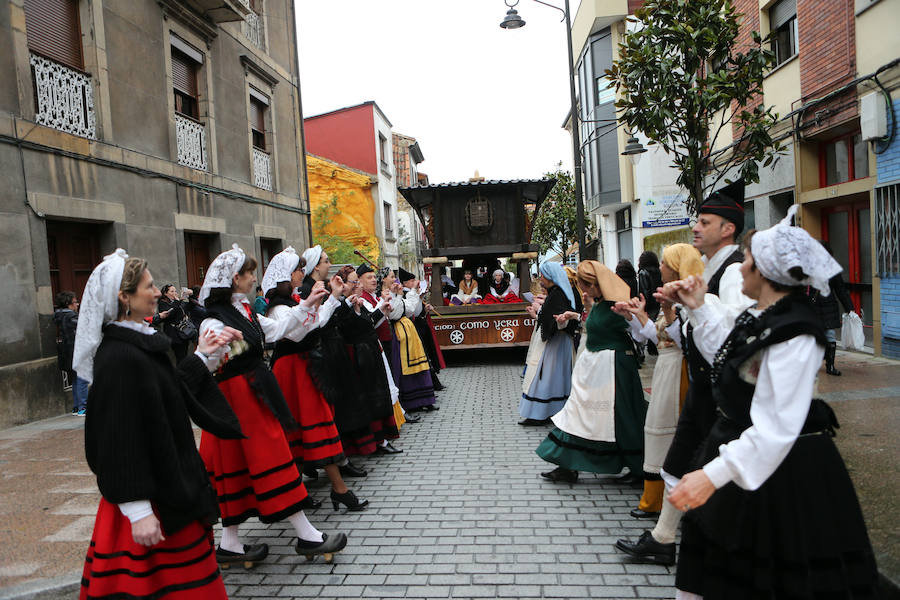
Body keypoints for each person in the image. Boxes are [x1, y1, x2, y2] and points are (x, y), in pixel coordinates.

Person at [663, 209, 878, 598]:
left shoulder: (796, 332)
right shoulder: (762, 316)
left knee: (764, 575)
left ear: (763, 272)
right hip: (743, 454)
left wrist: (713, 474)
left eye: (747, 261)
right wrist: (698, 306)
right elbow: (726, 361)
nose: (741, 268)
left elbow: (777, 425)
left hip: (780, 473)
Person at [74, 249, 245, 599]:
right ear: (125, 298)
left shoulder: (139, 342)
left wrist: (200, 355)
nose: (157, 293)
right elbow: (115, 438)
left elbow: (164, 391)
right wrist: (137, 511)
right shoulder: (119, 356)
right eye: (149, 287)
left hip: (168, 486)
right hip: (148, 498)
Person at [617, 180, 754, 566]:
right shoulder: (711, 270)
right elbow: (688, 336)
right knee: (679, 461)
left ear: (727, 228)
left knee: (708, 464)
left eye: (705, 222)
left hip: (718, 389)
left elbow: (733, 340)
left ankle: (715, 543)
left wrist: (688, 311)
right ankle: (665, 537)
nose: (696, 227)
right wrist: (672, 312)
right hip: (703, 385)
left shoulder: (732, 274)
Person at [198, 244, 348, 566]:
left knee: (244, 467)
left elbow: (276, 330)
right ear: (235, 278)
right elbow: (208, 360)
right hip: (238, 402)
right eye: (250, 273)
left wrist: (306, 305)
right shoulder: (212, 320)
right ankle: (307, 535)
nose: (255, 278)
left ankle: (230, 542)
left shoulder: (245, 311)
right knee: (271, 458)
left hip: (252, 397)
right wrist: (213, 348)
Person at [261, 248, 368, 511]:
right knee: (310, 426)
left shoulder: (293, 301)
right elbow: (298, 333)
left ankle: (324, 490)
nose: (301, 273)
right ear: (286, 276)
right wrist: (316, 302)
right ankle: (335, 490)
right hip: (292, 370)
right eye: (297, 269)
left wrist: (329, 297)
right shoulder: (278, 308)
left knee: (313, 425)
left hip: (304, 367)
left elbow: (315, 323)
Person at [535, 261, 646, 484]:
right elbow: (597, 324)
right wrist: (585, 310)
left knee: (621, 417)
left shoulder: (619, 306)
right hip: (595, 370)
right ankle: (567, 465)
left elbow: (641, 335)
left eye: (585, 286)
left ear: (597, 285)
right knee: (579, 414)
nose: (582, 290)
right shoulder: (601, 304)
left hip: (615, 369)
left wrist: (632, 316)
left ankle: (639, 468)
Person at [617, 244, 704, 526]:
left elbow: (689, 343)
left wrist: (667, 311)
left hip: (680, 373)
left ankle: (671, 503)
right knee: (657, 432)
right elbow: (655, 337)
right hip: (666, 370)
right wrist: (636, 315)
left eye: (666, 263)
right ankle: (654, 500)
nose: (661, 268)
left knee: (670, 433)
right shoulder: (670, 298)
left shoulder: (690, 301)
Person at [297, 246, 370, 477]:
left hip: (332, 348)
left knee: (338, 407)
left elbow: (332, 318)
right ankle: (333, 461)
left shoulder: (321, 288)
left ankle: (338, 458)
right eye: (326, 261)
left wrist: (342, 301)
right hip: (323, 351)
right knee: (330, 409)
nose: (330, 264)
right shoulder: (308, 290)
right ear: (316, 266)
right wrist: (338, 299)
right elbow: (317, 323)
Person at [518, 262, 579, 426]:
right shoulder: (556, 293)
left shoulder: (560, 294)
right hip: (552, 343)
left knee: (547, 378)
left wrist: (559, 321)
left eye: (543, 276)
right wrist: (538, 313)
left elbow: (565, 318)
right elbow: (550, 316)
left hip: (556, 344)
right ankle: (544, 412)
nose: (541, 279)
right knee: (548, 378)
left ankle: (544, 413)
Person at [358, 263, 414, 427]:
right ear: (360, 281)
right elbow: (372, 321)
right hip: (378, 342)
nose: (373, 280)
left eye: (374, 277)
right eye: (369, 277)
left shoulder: (373, 297)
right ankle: (396, 414)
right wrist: (384, 303)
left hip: (386, 340)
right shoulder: (364, 299)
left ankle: (399, 412)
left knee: (392, 378)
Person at [383, 267, 438, 412]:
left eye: (395, 277)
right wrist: (398, 295)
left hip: (408, 330)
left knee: (419, 363)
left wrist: (407, 294)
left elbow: (410, 309)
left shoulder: (396, 294)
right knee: (405, 366)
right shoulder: (386, 295)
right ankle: (411, 401)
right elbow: (394, 314)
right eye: (391, 277)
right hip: (399, 332)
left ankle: (424, 398)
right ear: (384, 280)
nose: (394, 280)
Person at [808, 241, 857, 376]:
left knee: (829, 335)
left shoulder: (832, 269)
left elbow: (840, 289)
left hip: (828, 306)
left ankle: (830, 366)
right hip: (813, 306)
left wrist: (850, 308)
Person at [397, 268, 447, 391]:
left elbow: (418, 311)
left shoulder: (414, 293)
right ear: (405, 283)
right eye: (412, 280)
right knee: (422, 354)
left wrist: (425, 308)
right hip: (413, 327)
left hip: (421, 324)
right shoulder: (404, 294)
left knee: (428, 351)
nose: (415, 282)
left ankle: (433, 382)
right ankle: (431, 384)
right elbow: (411, 311)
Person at [54, 291, 89, 416]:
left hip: (67, 351)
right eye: (75, 302)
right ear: (68, 304)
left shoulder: (58, 316)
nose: (77, 305)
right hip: (76, 350)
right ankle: (83, 407)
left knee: (75, 378)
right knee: (82, 378)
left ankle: (76, 407)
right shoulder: (71, 316)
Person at [151, 284, 191, 362]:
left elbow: (185, 310)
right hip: (174, 334)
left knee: (184, 356)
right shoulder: (163, 303)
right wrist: (177, 302)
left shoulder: (176, 301)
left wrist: (185, 298)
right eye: (172, 291)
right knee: (180, 357)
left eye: (175, 291)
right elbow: (170, 313)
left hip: (183, 332)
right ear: (165, 293)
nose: (175, 293)